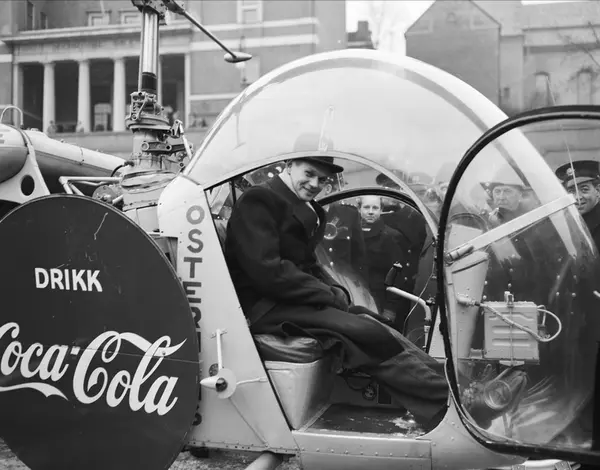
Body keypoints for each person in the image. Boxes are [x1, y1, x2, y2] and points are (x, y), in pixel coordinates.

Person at [224, 145, 511, 430]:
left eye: (322, 179)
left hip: (291, 300)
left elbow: (309, 264)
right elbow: (268, 271)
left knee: (370, 320)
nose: (314, 184)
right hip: (268, 307)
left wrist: (336, 291)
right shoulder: (259, 200)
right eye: (309, 174)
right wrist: (326, 294)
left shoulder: (299, 206)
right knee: (363, 332)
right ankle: (451, 400)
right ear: (289, 165)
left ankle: (457, 387)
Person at [358, 195, 406, 323]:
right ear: (359, 209)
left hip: (379, 300)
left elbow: (398, 277)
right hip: (354, 294)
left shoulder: (392, 237)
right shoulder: (352, 234)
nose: (370, 212)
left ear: (381, 210)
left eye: (375, 208)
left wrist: (390, 309)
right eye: (366, 207)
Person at [556, 160, 600, 250]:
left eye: (584, 190)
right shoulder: (569, 220)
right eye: (571, 192)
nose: (577, 197)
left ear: (598, 190)